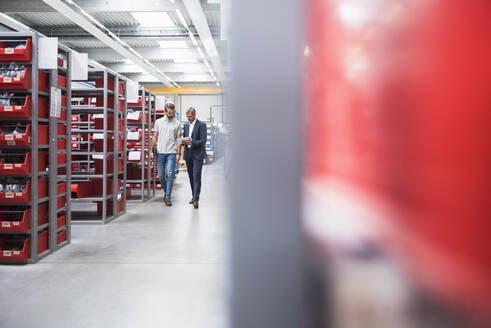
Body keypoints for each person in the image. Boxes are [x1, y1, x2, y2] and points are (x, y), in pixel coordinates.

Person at [150, 103, 181, 206]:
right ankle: (166, 191)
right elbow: (155, 137)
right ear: (165, 111)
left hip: (171, 152)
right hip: (160, 152)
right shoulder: (158, 122)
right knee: (160, 175)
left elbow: (179, 140)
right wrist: (150, 150)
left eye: (172, 113)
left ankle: (167, 197)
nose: (171, 115)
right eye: (169, 113)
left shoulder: (177, 123)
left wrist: (179, 153)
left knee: (170, 174)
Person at [181, 107, 207, 209]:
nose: (188, 118)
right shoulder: (186, 125)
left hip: (197, 155)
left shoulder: (201, 125)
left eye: (190, 116)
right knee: (191, 177)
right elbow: (184, 137)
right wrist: (183, 141)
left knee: (196, 176)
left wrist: (192, 142)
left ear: (194, 115)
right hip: (188, 155)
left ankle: (196, 199)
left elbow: (203, 141)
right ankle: (193, 195)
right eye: (187, 116)